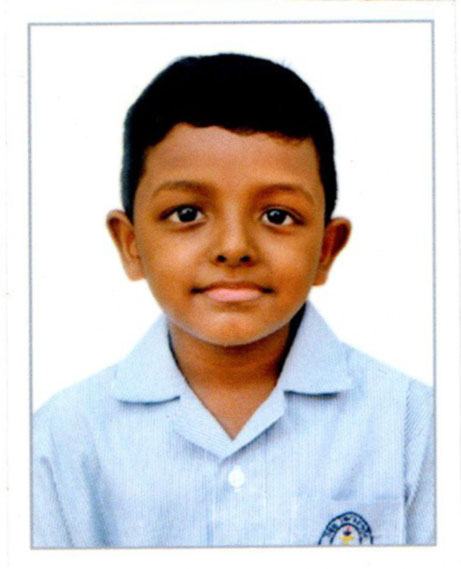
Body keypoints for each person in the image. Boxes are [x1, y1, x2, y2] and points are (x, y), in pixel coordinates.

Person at [33, 53, 434, 548]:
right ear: (130, 244)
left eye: (277, 216)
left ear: (326, 250)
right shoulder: (60, 439)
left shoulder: (413, 427)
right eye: (187, 213)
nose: (234, 247)